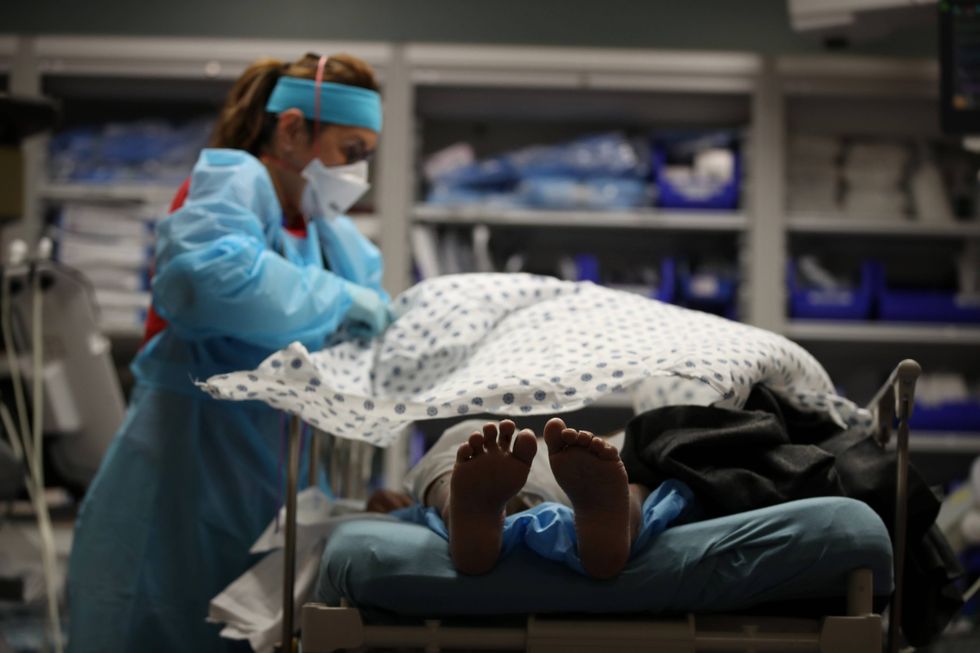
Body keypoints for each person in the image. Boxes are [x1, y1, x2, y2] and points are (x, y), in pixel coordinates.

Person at [67, 53, 392, 653]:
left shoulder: (325, 234)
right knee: (163, 621)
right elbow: (205, 280)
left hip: (269, 478)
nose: (358, 171)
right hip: (185, 473)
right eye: (351, 150)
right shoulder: (234, 182)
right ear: (292, 129)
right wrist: (342, 300)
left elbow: (364, 310)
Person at [402, 418, 661, 579]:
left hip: (546, 476)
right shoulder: (604, 457)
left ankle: (452, 503)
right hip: (584, 488)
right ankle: (621, 525)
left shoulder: (619, 448)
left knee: (457, 448)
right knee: (646, 489)